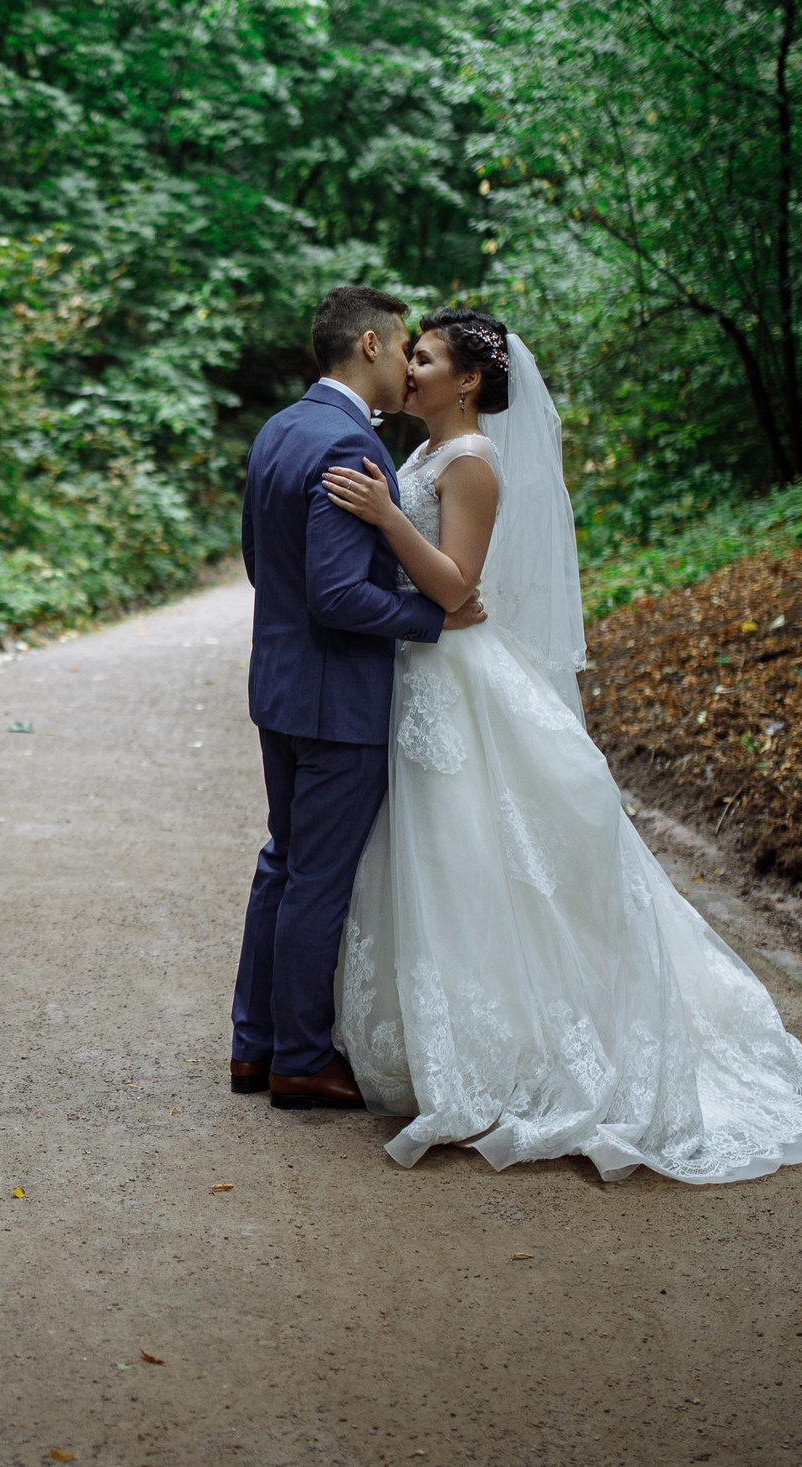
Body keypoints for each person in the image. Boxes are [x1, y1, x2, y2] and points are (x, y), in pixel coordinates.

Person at [317, 307, 802, 1182]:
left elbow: (455, 584)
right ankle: (442, 1040)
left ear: (468, 382)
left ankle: (509, 1054)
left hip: (456, 675)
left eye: (427, 358)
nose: (409, 367)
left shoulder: (471, 460)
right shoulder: (421, 452)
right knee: (442, 854)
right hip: (424, 670)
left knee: (472, 846)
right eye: (411, 354)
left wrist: (386, 517)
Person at [231, 286, 484, 1111]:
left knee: (282, 863)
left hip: (279, 686)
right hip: (337, 700)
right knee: (317, 879)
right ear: (370, 344)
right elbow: (339, 593)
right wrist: (432, 618)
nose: (408, 361)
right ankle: (301, 1059)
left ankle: (253, 1046)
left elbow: (261, 563)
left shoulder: (279, 429)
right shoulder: (350, 443)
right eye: (404, 343)